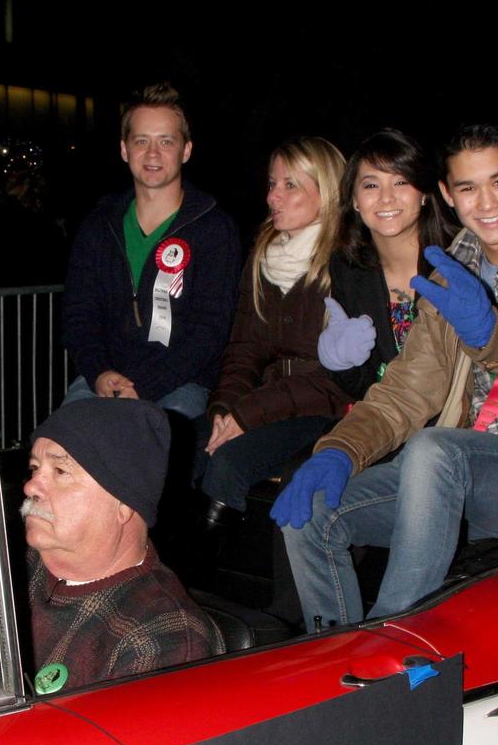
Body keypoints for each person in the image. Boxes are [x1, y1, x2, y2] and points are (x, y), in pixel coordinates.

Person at [275, 124, 498, 632]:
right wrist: (340, 450)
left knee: (434, 448)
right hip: (460, 473)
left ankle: (391, 637)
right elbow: (409, 388)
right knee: (315, 510)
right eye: (468, 188)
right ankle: (329, 650)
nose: (486, 202)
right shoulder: (451, 271)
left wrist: (496, 334)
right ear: (447, 195)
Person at [60, 82, 240, 419]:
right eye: (141, 141)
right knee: (57, 449)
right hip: (103, 380)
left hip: (180, 385)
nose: (153, 154)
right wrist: (99, 372)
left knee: (153, 453)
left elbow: (211, 330)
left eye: (166, 142)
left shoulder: (214, 229)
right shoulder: (98, 226)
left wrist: (144, 384)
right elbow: (78, 315)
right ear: (124, 150)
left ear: (186, 150)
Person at [22, 397, 224, 691]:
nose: (30, 486)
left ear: (124, 504)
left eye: (61, 471)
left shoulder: (165, 637)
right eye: (34, 468)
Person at [200, 136, 350, 525]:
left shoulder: (346, 265)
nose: (272, 197)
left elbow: (334, 377)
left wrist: (246, 415)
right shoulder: (264, 257)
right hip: (266, 401)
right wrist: (224, 408)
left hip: (325, 408)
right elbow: (243, 349)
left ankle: (212, 567)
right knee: (189, 443)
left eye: (290, 185)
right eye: (272, 184)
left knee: (227, 463)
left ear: (327, 192)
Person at [319, 129, 456, 400]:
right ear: (355, 200)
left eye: (401, 182)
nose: (386, 197)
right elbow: (364, 389)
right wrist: (338, 363)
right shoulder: (347, 268)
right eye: (371, 185)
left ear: (424, 193)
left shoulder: (459, 259)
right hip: (387, 422)